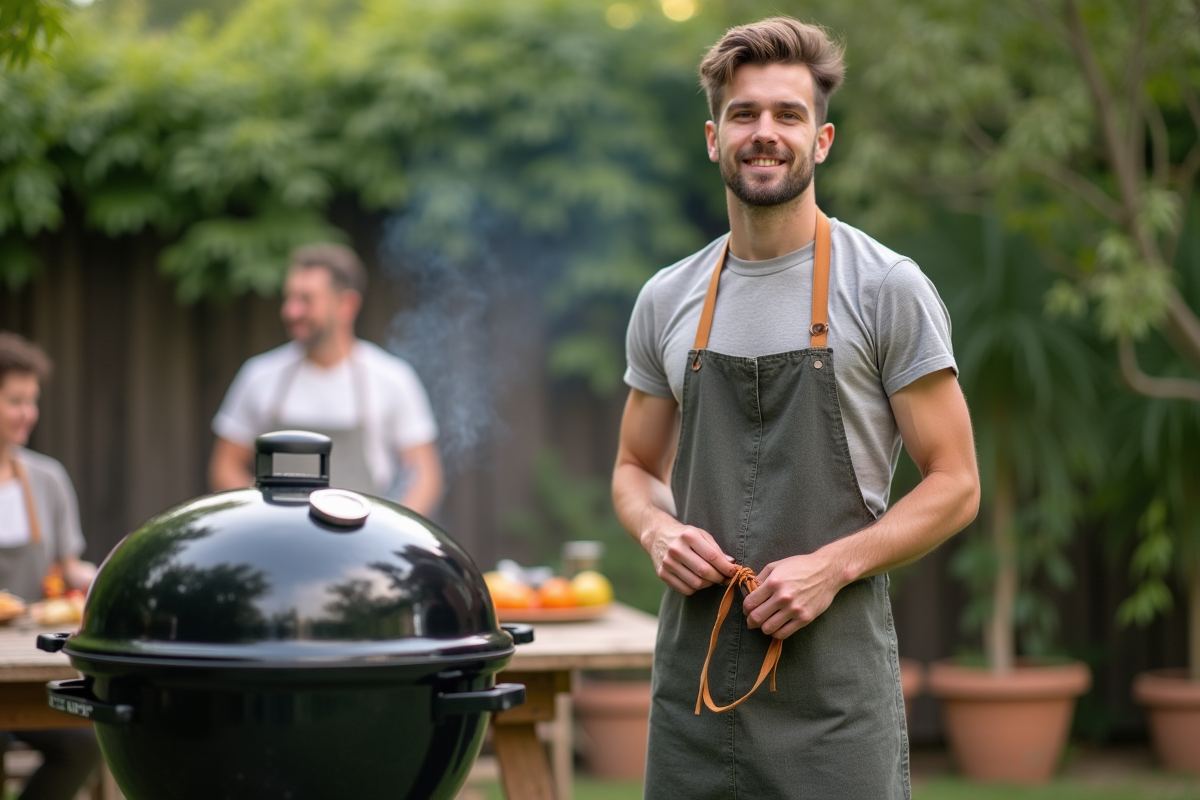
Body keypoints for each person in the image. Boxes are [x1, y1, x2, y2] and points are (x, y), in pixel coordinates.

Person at [612, 17, 981, 799]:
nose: (764, 133)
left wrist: (832, 566)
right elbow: (634, 468)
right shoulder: (667, 298)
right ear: (713, 137)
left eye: (788, 114)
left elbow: (956, 483)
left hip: (833, 703)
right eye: (744, 114)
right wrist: (658, 530)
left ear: (822, 140)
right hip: (694, 692)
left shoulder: (885, 289)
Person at [209, 243, 443, 515]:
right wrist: (264, 513)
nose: (291, 311)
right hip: (275, 544)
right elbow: (224, 465)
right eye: (290, 298)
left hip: (363, 545)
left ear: (347, 304)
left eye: (306, 300)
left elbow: (425, 476)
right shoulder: (259, 375)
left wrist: (393, 534)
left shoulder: (392, 378)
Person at [0, 332, 101, 800]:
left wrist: (103, 578)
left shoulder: (48, 478)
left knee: (86, 744)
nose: (28, 414)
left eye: (32, 401)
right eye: (15, 400)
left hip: (30, 660)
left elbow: (67, 565)